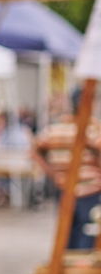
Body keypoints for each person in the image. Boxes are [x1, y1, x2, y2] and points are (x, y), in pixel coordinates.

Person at [34, 101, 101, 250]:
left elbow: (35, 150)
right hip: (89, 189)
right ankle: (79, 269)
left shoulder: (54, 129)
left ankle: (65, 266)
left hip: (63, 187)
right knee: (87, 233)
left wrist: (52, 173)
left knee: (66, 232)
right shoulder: (90, 129)